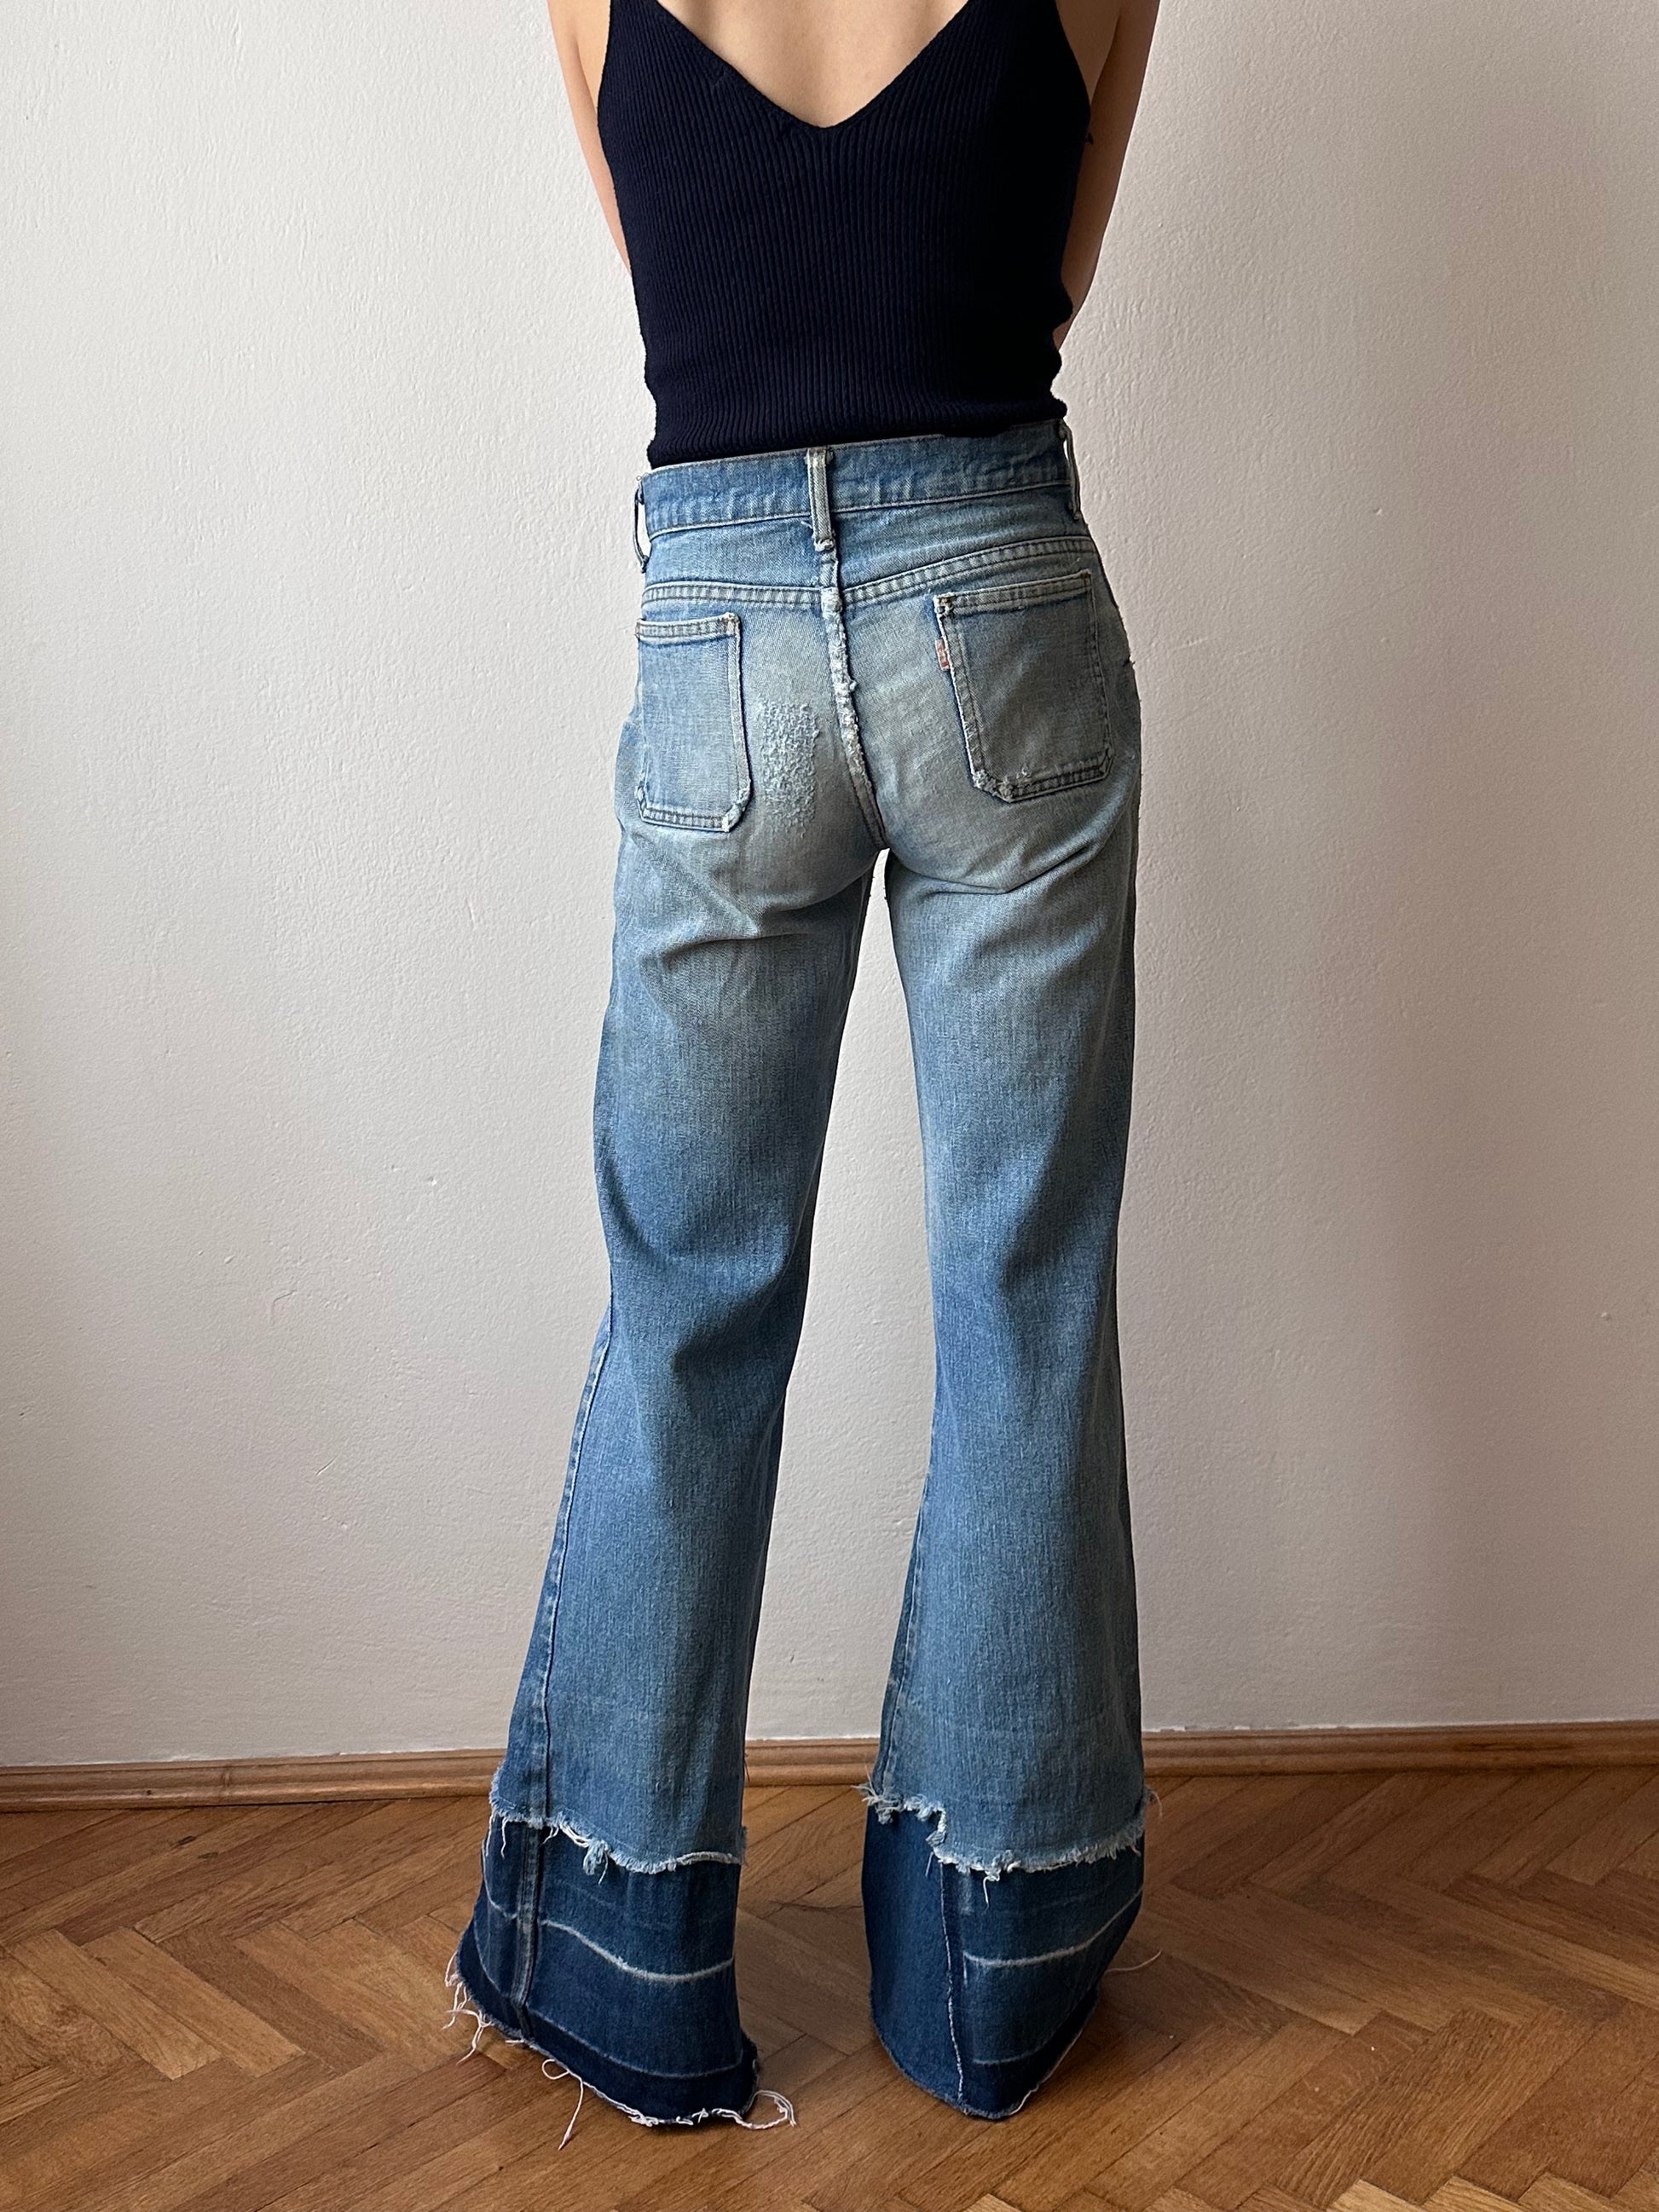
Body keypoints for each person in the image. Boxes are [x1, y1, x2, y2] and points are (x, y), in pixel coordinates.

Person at [444, 0, 1163, 2131]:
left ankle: (619, 1948)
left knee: (689, 1296)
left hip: (722, 631)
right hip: (1000, 602)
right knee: (1020, 1289)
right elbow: (1036, 289)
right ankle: (992, 1957)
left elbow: (698, 299)